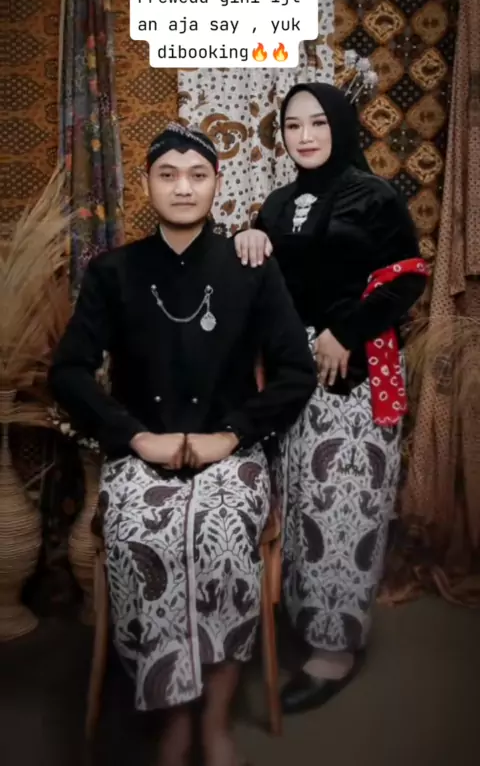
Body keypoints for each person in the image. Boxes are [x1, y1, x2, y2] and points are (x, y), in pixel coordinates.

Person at [49, 123, 316, 766]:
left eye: (197, 175)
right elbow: (69, 372)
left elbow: (295, 372)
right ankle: (172, 716)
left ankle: (215, 719)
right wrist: (137, 437)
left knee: (219, 537)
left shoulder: (250, 266)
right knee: (146, 537)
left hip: (232, 451)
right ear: (148, 184)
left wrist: (233, 434)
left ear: (216, 183)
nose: (183, 187)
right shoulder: (113, 272)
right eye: (167, 174)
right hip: (142, 452)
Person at [234, 83, 428, 714]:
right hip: (292, 381)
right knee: (300, 503)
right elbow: (263, 280)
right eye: (293, 126)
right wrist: (247, 238)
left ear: (340, 126)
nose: (306, 136)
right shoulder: (277, 203)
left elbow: (408, 276)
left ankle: (334, 651)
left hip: (355, 375)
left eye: (318, 123)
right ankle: (304, 621)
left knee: (345, 509)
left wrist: (345, 330)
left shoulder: (373, 196)